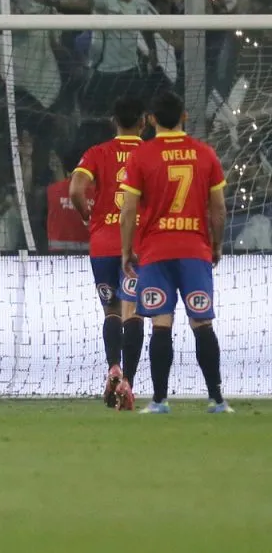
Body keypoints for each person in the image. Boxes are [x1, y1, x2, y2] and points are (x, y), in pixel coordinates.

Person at [119, 91, 232, 414]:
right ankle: (217, 400)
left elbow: (128, 211)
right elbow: (219, 210)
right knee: (202, 322)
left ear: (152, 119)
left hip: (155, 253)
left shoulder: (141, 156)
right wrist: (217, 244)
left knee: (161, 323)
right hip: (194, 251)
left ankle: (159, 401)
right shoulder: (205, 154)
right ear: (184, 116)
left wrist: (127, 251)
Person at [69, 95, 146, 410]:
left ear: (114, 121)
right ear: (143, 122)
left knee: (111, 310)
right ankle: (128, 381)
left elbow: (75, 189)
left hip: (102, 244)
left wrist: (87, 215)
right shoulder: (150, 153)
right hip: (137, 244)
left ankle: (113, 366)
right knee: (134, 312)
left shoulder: (97, 152)